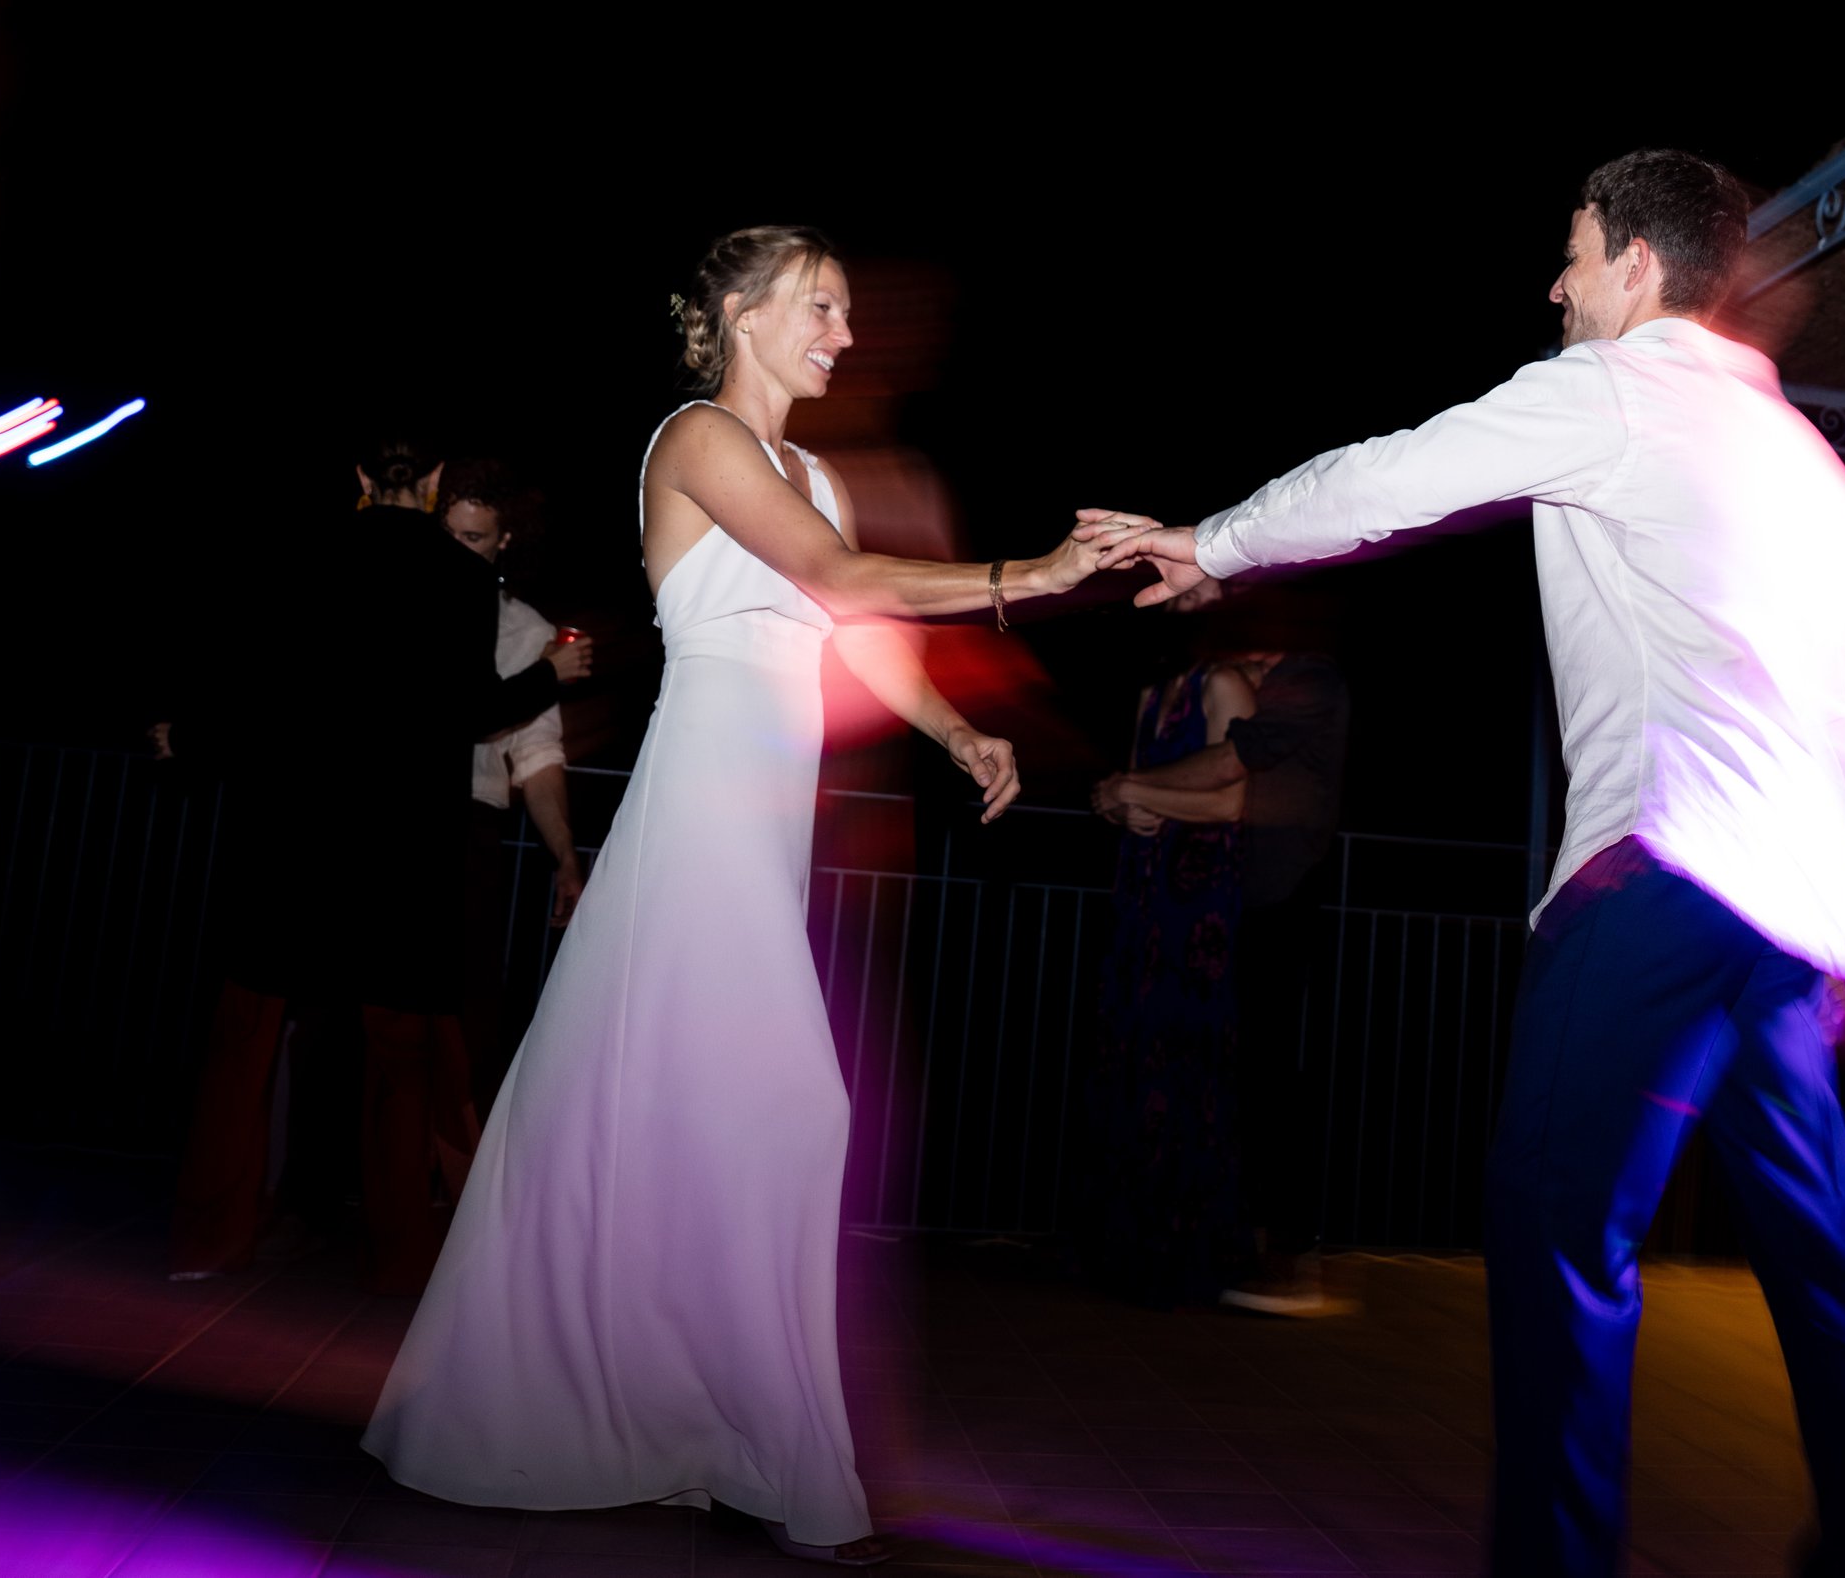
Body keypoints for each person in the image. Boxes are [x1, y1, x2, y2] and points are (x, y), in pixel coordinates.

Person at [1100, 150, 1845, 1578]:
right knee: (1820, 1254)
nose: (1556, 284)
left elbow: (1399, 473)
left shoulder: (1617, 387)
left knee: (1557, 1227)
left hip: (1663, 876)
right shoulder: (1808, 462)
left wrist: (1217, 543)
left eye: (1575, 250)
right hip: (1791, 921)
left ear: (1638, 266)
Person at [362, 225, 1153, 1568]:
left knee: (688, 1109)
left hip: (765, 822)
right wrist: (1035, 573)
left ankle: (688, 1421)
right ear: (741, 315)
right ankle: (766, 1444)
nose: (844, 332)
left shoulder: (815, 474)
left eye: (844, 310)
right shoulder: (698, 438)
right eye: (821, 306)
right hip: (702, 811)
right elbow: (839, 578)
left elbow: (854, 628)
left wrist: (957, 731)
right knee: (793, 1105)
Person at [162, 443, 592, 1290]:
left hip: (292, 842)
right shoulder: (461, 581)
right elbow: (471, 711)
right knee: (402, 1058)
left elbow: (256, 690)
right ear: (430, 489)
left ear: (361, 482)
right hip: (401, 853)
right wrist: (547, 675)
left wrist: (191, 738)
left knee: (248, 1039)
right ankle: (400, 1257)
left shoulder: (299, 560)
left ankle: (210, 1240)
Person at [1095, 584, 1350, 1316]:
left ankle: (1289, 1258)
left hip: (1278, 896)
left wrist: (1126, 788)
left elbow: (1231, 766)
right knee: (1225, 1067)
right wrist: (1124, 795)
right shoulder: (1240, 675)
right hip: (1225, 897)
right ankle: (1215, 1236)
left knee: (1268, 1068)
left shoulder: (1309, 680)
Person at [1086, 641, 1256, 1308]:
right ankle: (1127, 1244)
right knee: (1131, 1060)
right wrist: (1118, 803)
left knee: (1188, 1068)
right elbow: (1119, 792)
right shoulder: (1151, 695)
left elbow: (1232, 802)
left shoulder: (1226, 685)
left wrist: (1129, 791)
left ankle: (1187, 1254)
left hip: (1198, 907)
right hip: (1141, 899)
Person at [439, 458, 588, 1098]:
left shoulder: (526, 630)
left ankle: (458, 1153)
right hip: (387, 813)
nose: (457, 550)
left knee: (466, 1001)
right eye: (449, 535)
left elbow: (537, 756)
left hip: (470, 826)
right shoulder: (400, 602)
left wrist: (565, 857)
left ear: (503, 541)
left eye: (472, 538)